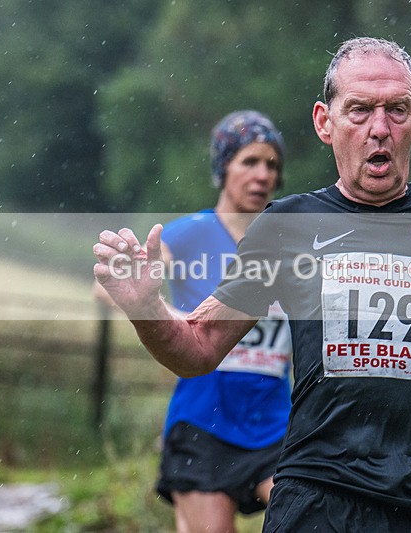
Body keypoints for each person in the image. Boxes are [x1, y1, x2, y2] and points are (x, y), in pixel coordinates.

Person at [94, 37, 411, 532]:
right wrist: (146, 305)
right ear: (324, 122)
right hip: (317, 499)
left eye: (396, 110)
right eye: (358, 110)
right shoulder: (286, 226)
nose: (380, 128)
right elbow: (199, 346)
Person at [98, 110, 292, 533]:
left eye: (272, 165)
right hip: (206, 423)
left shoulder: (285, 245)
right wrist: (183, 320)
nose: (262, 174)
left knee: (313, 523)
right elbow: (111, 288)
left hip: (277, 425)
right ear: (223, 167)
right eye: (249, 161)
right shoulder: (193, 234)